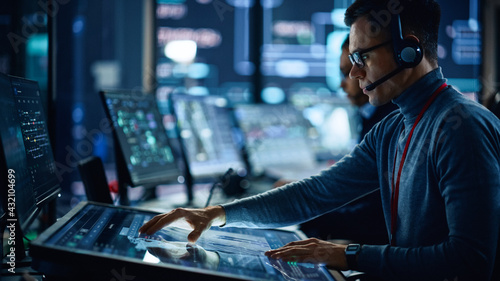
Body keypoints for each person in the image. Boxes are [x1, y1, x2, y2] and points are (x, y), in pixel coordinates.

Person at [140, 0, 500, 280]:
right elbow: (316, 193)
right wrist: (218, 214)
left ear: (410, 50)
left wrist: (345, 254)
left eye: (362, 57)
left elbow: (470, 262)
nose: (354, 72)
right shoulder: (393, 129)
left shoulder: (461, 128)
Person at [299, 35, 398, 244]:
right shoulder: (372, 117)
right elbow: (359, 188)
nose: (344, 83)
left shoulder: (392, 123)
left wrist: (317, 218)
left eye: (347, 73)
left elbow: (378, 214)